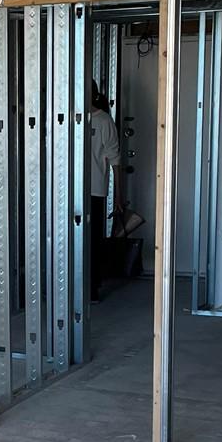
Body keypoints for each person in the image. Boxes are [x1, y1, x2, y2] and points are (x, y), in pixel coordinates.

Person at [87, 83, 122, 302]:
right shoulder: (68, 117)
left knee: (92, 241)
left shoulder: (103, 121)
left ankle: (92, 286)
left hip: (95, 189)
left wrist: (118, 195)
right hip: (70, 189)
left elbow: (115, 160)